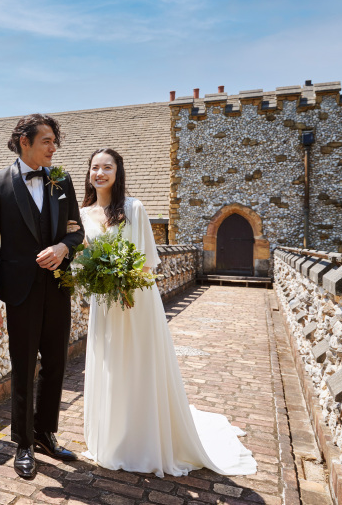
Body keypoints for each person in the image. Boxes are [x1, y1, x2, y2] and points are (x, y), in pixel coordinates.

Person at [78, 148, 257, 477]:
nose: (100, 173)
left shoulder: (134, 208)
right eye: (95, 167)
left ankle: (143, 440)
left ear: (118, 173)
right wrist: (99, 278)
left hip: (136, 301)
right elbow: (82, 259)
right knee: (111, 367)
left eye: (107, 167)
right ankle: (112, 438)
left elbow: (146, 262)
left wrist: (123, 280)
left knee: (138, 365)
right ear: (88, 173)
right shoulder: (82, 213)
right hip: (105, 304)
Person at [0, 114, 85, 479]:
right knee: (23, 366)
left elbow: (77, 231)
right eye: (48, 141)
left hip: (58, 287)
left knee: (56, 364)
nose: (55, 148)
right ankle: (22, 443)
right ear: (25, 141)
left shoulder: (62, 181)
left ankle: (44, 435)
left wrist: (62, 247)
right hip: (19, 291)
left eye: (56, 141)